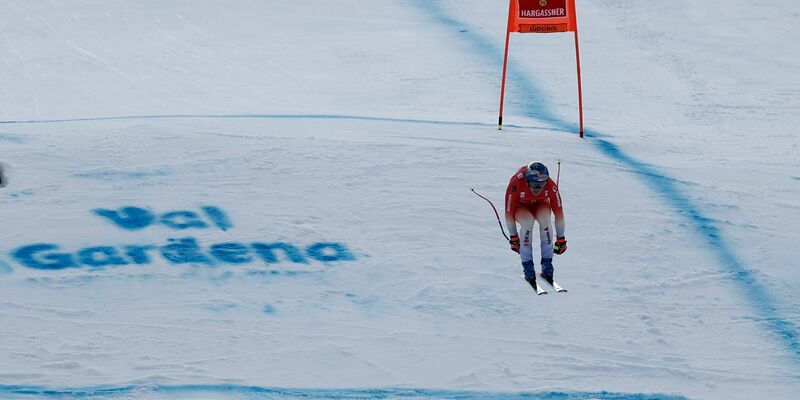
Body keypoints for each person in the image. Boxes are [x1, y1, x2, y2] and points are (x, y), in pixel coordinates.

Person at [505, 161, 567, 285]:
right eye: (534, 184)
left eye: (541, 184)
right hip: (521, 207)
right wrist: (513, 236)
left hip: (541, 204)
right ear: (527, 181)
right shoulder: (516, 183)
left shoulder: (550, 185)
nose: (538, 188)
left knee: (545, 220)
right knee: (528, 222)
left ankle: (547, 264)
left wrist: (561, 238)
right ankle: (528, 266)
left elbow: (559, 214)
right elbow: (508, 213)